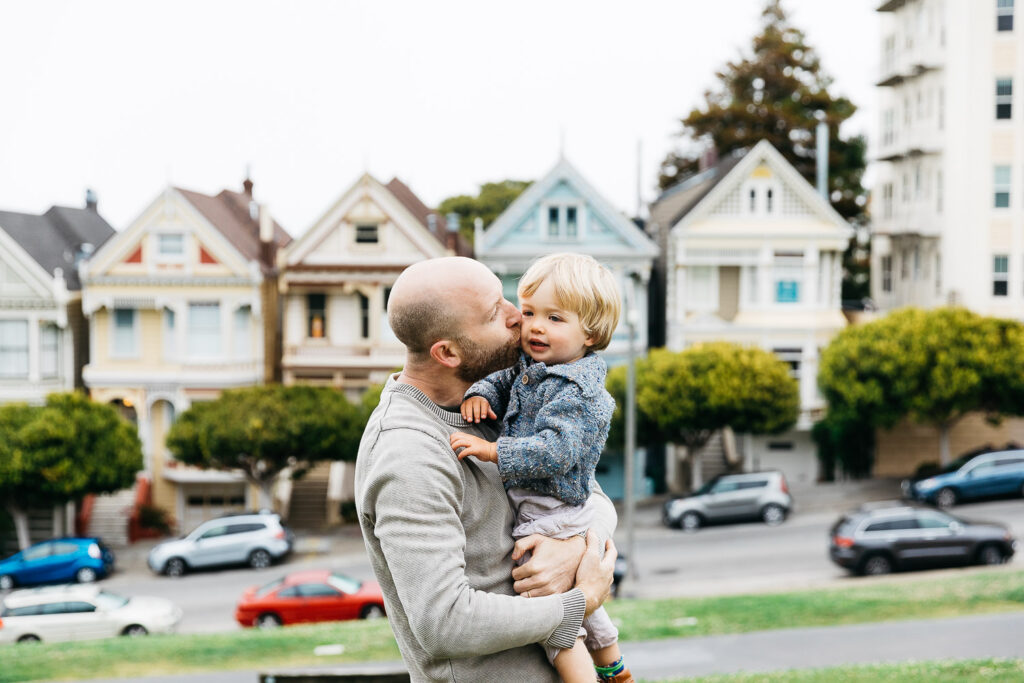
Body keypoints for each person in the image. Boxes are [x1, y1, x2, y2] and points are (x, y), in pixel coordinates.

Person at [355, 256, 617, 682]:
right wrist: (579, 601)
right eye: (498, 312)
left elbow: (590, 493)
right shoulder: (408, 453)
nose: (521, 318)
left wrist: (578, 546)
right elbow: (446, 623)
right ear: (448, 352)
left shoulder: (497, 401)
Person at [449, 253, 632, 683]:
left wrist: (495, 452)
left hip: (554, 512)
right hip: (548, 508)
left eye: (554, 317)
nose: (534, 326)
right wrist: (480, 393)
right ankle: (615, 668)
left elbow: (557, 451)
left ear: (591, 332)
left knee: (550, 615)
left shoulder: (579, 392)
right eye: (529, 312)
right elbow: (503, 380)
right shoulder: (535, 366)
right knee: (581, 601)